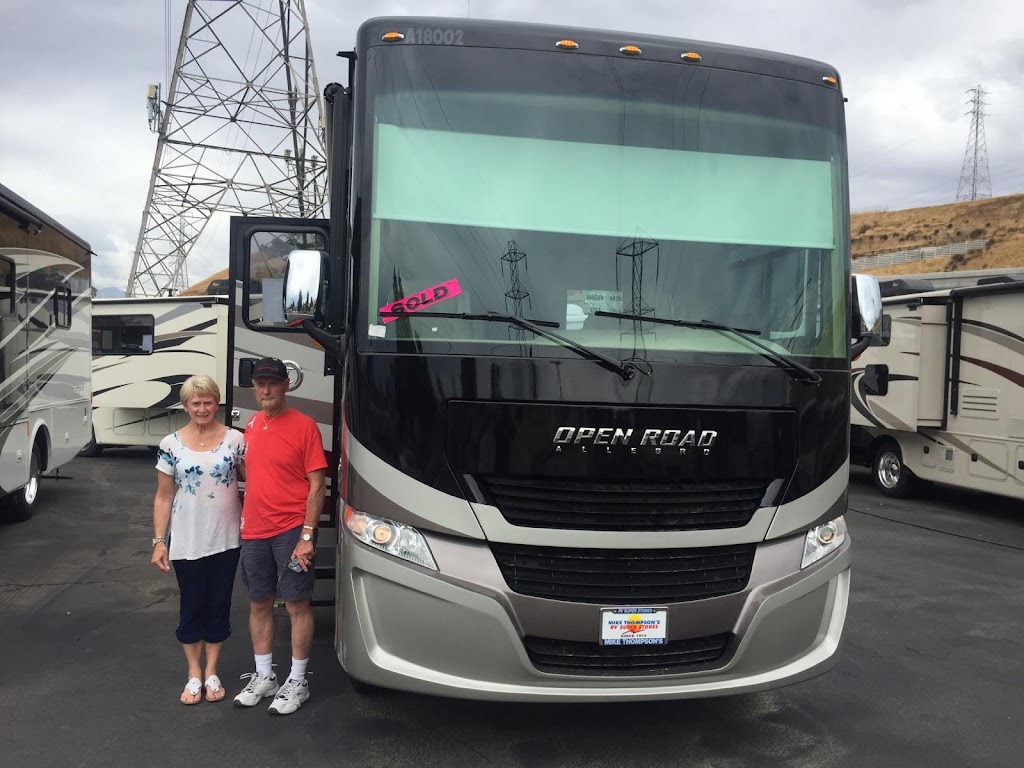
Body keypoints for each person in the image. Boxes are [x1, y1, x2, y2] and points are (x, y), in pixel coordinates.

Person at [233, 357, 327, 715]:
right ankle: (265, 676)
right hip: (255, 530)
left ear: (286, 385)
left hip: (291, 531)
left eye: (272, 383)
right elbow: (254, 473)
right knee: (258, 604)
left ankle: (298, 681)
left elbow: (317, 485)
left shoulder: (305, 426)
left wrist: (307, 535)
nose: (266, 390)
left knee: (296, 605)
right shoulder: (251, 426)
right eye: (260, 384)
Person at [151, 374, 246, 705]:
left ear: (217, 403)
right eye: (196, 403)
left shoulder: (236, 440)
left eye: (208, 402)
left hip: (226, 537)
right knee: (191, 604)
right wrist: (159, 540)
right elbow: (164, 496)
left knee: (219, 603)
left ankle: (212, 671)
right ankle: (193, 672)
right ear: (185, 406)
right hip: (187, 538)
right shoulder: (171, 444)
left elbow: (254, 482)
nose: (202, 408)